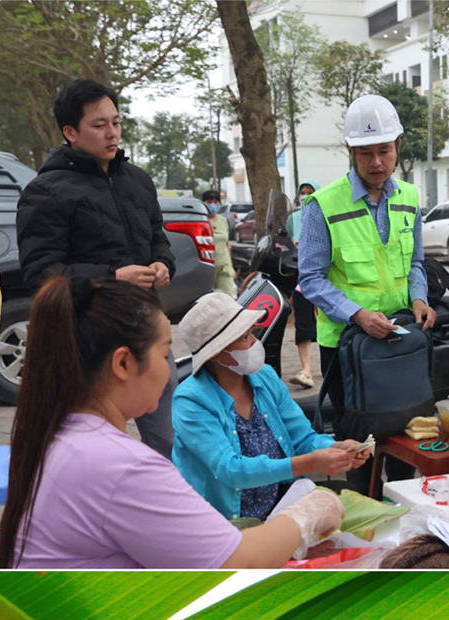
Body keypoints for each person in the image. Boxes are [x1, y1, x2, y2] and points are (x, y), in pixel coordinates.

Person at [0, 276, 345, 569]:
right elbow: (238, 560)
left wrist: (331, 451)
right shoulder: (123, 464)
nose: (170, 370)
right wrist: (306, 516)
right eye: (164, 354)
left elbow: (302, 437)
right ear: (123, 364)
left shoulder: (67, 435)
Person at [17, 79, 177, 458]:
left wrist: (162, 263)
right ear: (70, 132)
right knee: (95, 446)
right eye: (99, 125)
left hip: (146, 327)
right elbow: (40, 273)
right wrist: (112, 277)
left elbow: (158, 236)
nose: (112, 133)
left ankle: (165, 509)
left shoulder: (138, 181)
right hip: (87, 339)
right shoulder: (46, 192)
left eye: (116, 123)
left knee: (168, 440)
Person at [298, 94, 435, 487]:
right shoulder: (321, 205)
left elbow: (415, 264)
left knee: (407, 440)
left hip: (400, 339)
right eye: (365, 153)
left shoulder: (409, 197)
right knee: (358, 449)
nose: (376, 162)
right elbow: (310, 278)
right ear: (350, 151)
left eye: (384, 151)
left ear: (397, 148)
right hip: (347, 346)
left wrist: (420, 300)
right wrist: (357, 314)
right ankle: (363, 519)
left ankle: (404, 513)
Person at [173, 293, 372, 521]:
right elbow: (231, 470)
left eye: (252, 335)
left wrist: (336, 447)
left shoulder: (264, 377)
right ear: (218, 352)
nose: (255, 344)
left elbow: (302, 438)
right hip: (220, 520)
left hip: (278, 505)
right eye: (245, 338)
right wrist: (311, 462)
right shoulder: (191, 400)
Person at [284, 178, 319, 389]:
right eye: (302, 192)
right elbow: (285, 244)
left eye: (310, 192)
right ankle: (306, 369)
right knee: (303, 322)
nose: (305, 196)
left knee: (329, 322)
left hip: (326, 278)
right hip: (302, 278)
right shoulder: (293, 219)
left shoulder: (325, 214)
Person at [201, 190, 237, 295]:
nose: (213, 205)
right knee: (206, 299)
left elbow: (227, 244)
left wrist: (231, 266)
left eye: (216, 202)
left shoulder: (223, 220)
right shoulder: (201, 221)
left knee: (227, 297)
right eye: (209, 201)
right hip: (207, 266)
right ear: (203, 203)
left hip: (224, 265)